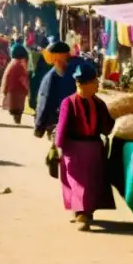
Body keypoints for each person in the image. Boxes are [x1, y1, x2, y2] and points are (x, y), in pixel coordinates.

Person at [54, 62, 114, 231]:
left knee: (88, 183)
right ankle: (83, 214)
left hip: (89, 149)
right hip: (77, 149)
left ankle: (84, 213)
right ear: (85, 84)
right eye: (94, 82)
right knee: (80, 183)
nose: (96, 85)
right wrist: (57, 147)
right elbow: (62, 127)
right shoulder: (71, 103)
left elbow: (107, 127)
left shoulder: (97, 104)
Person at [34, 41, 79, 137]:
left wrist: (39, 126)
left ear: (57, 56)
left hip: (58, 122)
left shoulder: (51, 77)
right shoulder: (78, 70)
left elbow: (45, 101)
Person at [1, 44, 30, 124]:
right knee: (18, 107)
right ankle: (17, 120)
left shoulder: (12, 63)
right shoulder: (19, 65)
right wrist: (29, 89)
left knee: (15, 107)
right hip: (18, 91)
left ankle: (17, 119)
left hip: (11, 90)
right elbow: (23, 79)